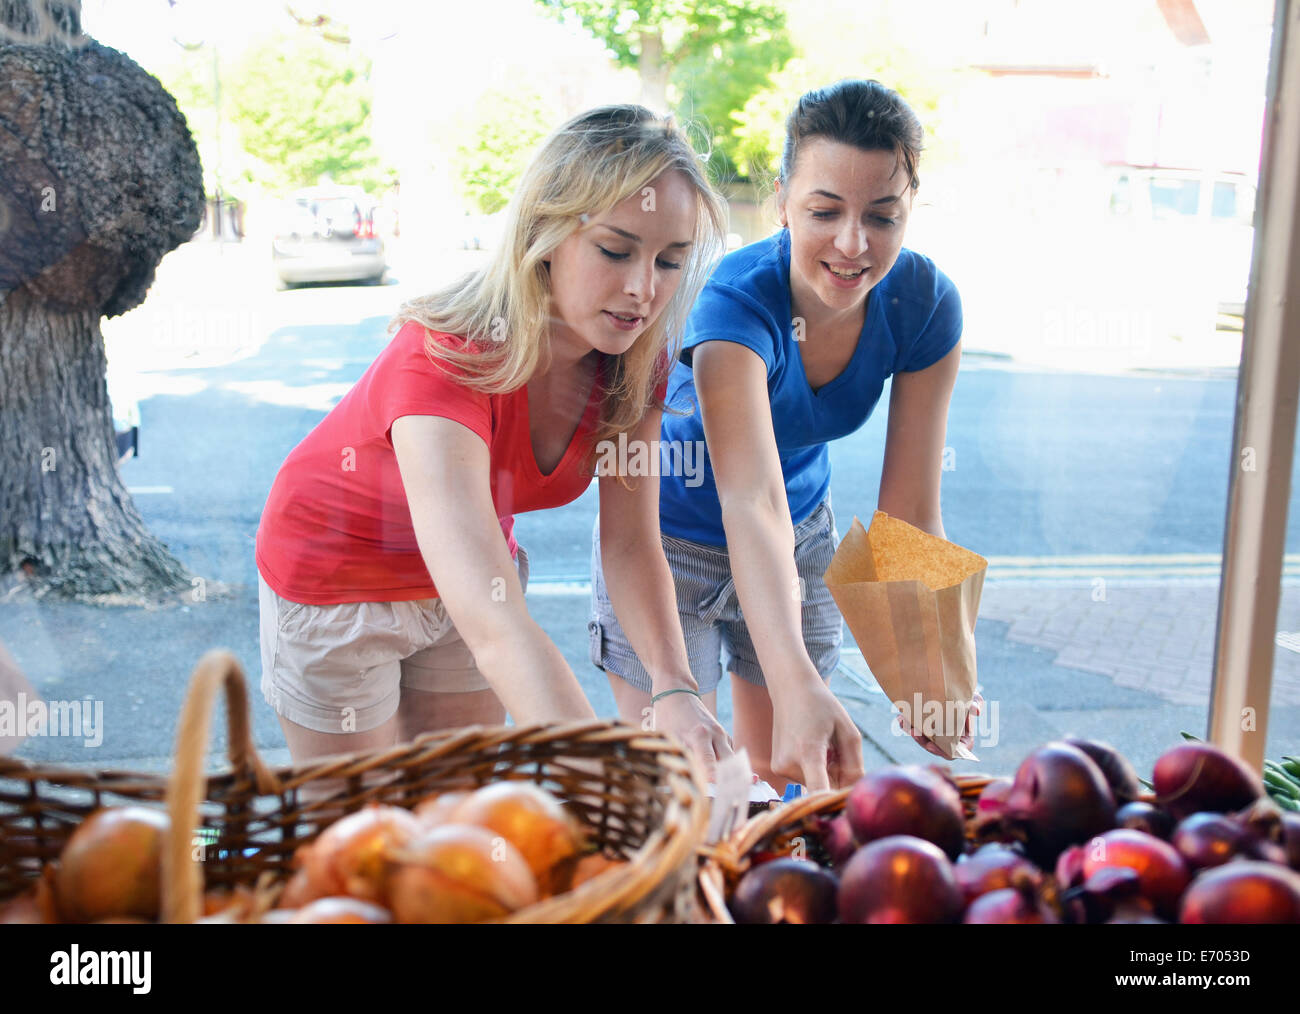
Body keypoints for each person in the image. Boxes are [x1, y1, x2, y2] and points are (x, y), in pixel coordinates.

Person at [255, 105, 734, 774]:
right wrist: (603, 771)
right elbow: (496, 628)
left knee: (455, 813)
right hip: (338, 578)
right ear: (545, 233)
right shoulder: (444, 357)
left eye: (670, 261)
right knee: (365, 832)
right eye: (615, 250)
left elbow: (629, 541)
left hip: (474, 577)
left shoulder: (636, 362)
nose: (642, 289)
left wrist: (674, 684)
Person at [591, 79, 979, 793]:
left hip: (796, 537)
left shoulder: (926, 304)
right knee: (691, 787)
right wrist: (795, 673)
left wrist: (932, 660)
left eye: (883, 216)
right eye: (824, 211)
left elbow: (910, 512)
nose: (853, 243)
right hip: (670, 544)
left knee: (785, 776)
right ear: (781, 201)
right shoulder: (737, 302)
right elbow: (750, 499)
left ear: (911, 208)